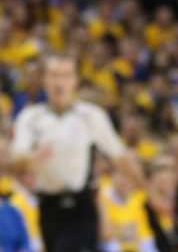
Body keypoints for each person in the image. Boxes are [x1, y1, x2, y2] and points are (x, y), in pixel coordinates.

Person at [10, 53, 143, 252]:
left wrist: (144, 189)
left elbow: (119, 156)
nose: (59, 83)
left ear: (75, 81)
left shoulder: (91, 115)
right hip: (48, 205)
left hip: (81, 204)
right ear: (44, 80)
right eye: (54, 76)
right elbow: (15, 159)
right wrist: (30, 160)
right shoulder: (31, 117)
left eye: (65, 76)